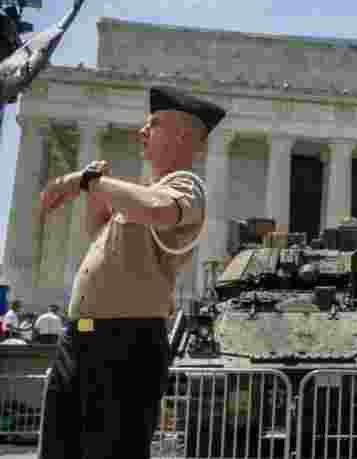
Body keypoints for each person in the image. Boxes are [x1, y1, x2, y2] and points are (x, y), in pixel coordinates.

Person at [37, 85, 225, 459]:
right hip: (81, 336)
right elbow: (99, 235)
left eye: (153, 124)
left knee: (112, 449)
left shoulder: (185, 186)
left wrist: (90, 182)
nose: (141, 131)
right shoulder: (139, 194)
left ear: (185, 136)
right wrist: (95, 193)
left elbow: (156, 210)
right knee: (61, 449)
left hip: (125, 341)